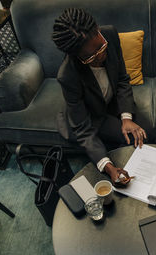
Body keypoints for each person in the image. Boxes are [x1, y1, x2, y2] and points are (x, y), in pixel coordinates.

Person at [52, 8, 147, 186]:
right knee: (119, 143)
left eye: (101, 48)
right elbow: (83, 129)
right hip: (89, 116)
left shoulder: (109, 34)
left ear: (98, 30)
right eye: (90, 58)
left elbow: (122, 80)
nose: (100, 56)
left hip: (111, 102)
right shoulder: (67, 75)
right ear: (76, 57)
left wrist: (126, 118)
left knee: (143, 133)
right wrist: (108, 167)